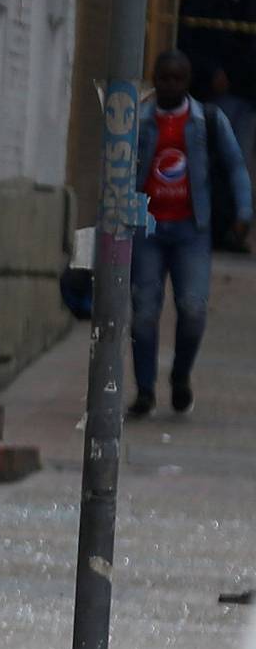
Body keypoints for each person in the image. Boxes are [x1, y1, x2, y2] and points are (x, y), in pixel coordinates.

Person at [130, 51, 252, 420]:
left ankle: (180, 376)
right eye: (163, 78)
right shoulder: (140, 120)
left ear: (187, 82)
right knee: (144, 314)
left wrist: (244, 212)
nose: (170, 85)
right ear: (155, 79)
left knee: (194, 310)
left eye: (177, 79)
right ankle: (146, 391)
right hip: (148, 229)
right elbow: (119, 166)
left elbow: (235, 165)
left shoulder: (207, 121)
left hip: (190, 231)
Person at [179, 0, 256, 194]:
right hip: (211, 96)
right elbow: (188, 41)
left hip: (244, 97)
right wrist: (210, 71)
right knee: (208, 163)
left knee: (238, 166)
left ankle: (232, 227)